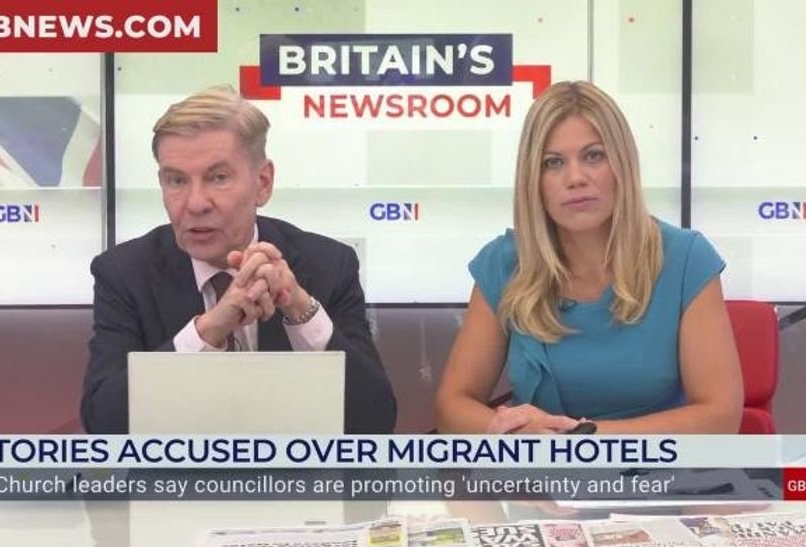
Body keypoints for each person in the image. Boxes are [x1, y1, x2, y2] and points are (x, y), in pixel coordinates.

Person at [81, 85, 396, 434]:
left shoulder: (327, 265)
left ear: (262, 183)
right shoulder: (125, 273)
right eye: (176, 180)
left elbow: (375, 422)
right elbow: (104, 424)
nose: (195, 203)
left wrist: (300, 309)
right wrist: (208, 330)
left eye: (218, 178)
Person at [436, 81, 743, 434]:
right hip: (541, 466)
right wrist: (515, 432)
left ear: (621, 164)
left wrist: (581, 439)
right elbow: (451, 408)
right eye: (553, 163)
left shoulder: (686, 259)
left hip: (656, 466)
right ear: (533, 179)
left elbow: (720, 418)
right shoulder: (504, 263)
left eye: (593, 156)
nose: (576, 178)